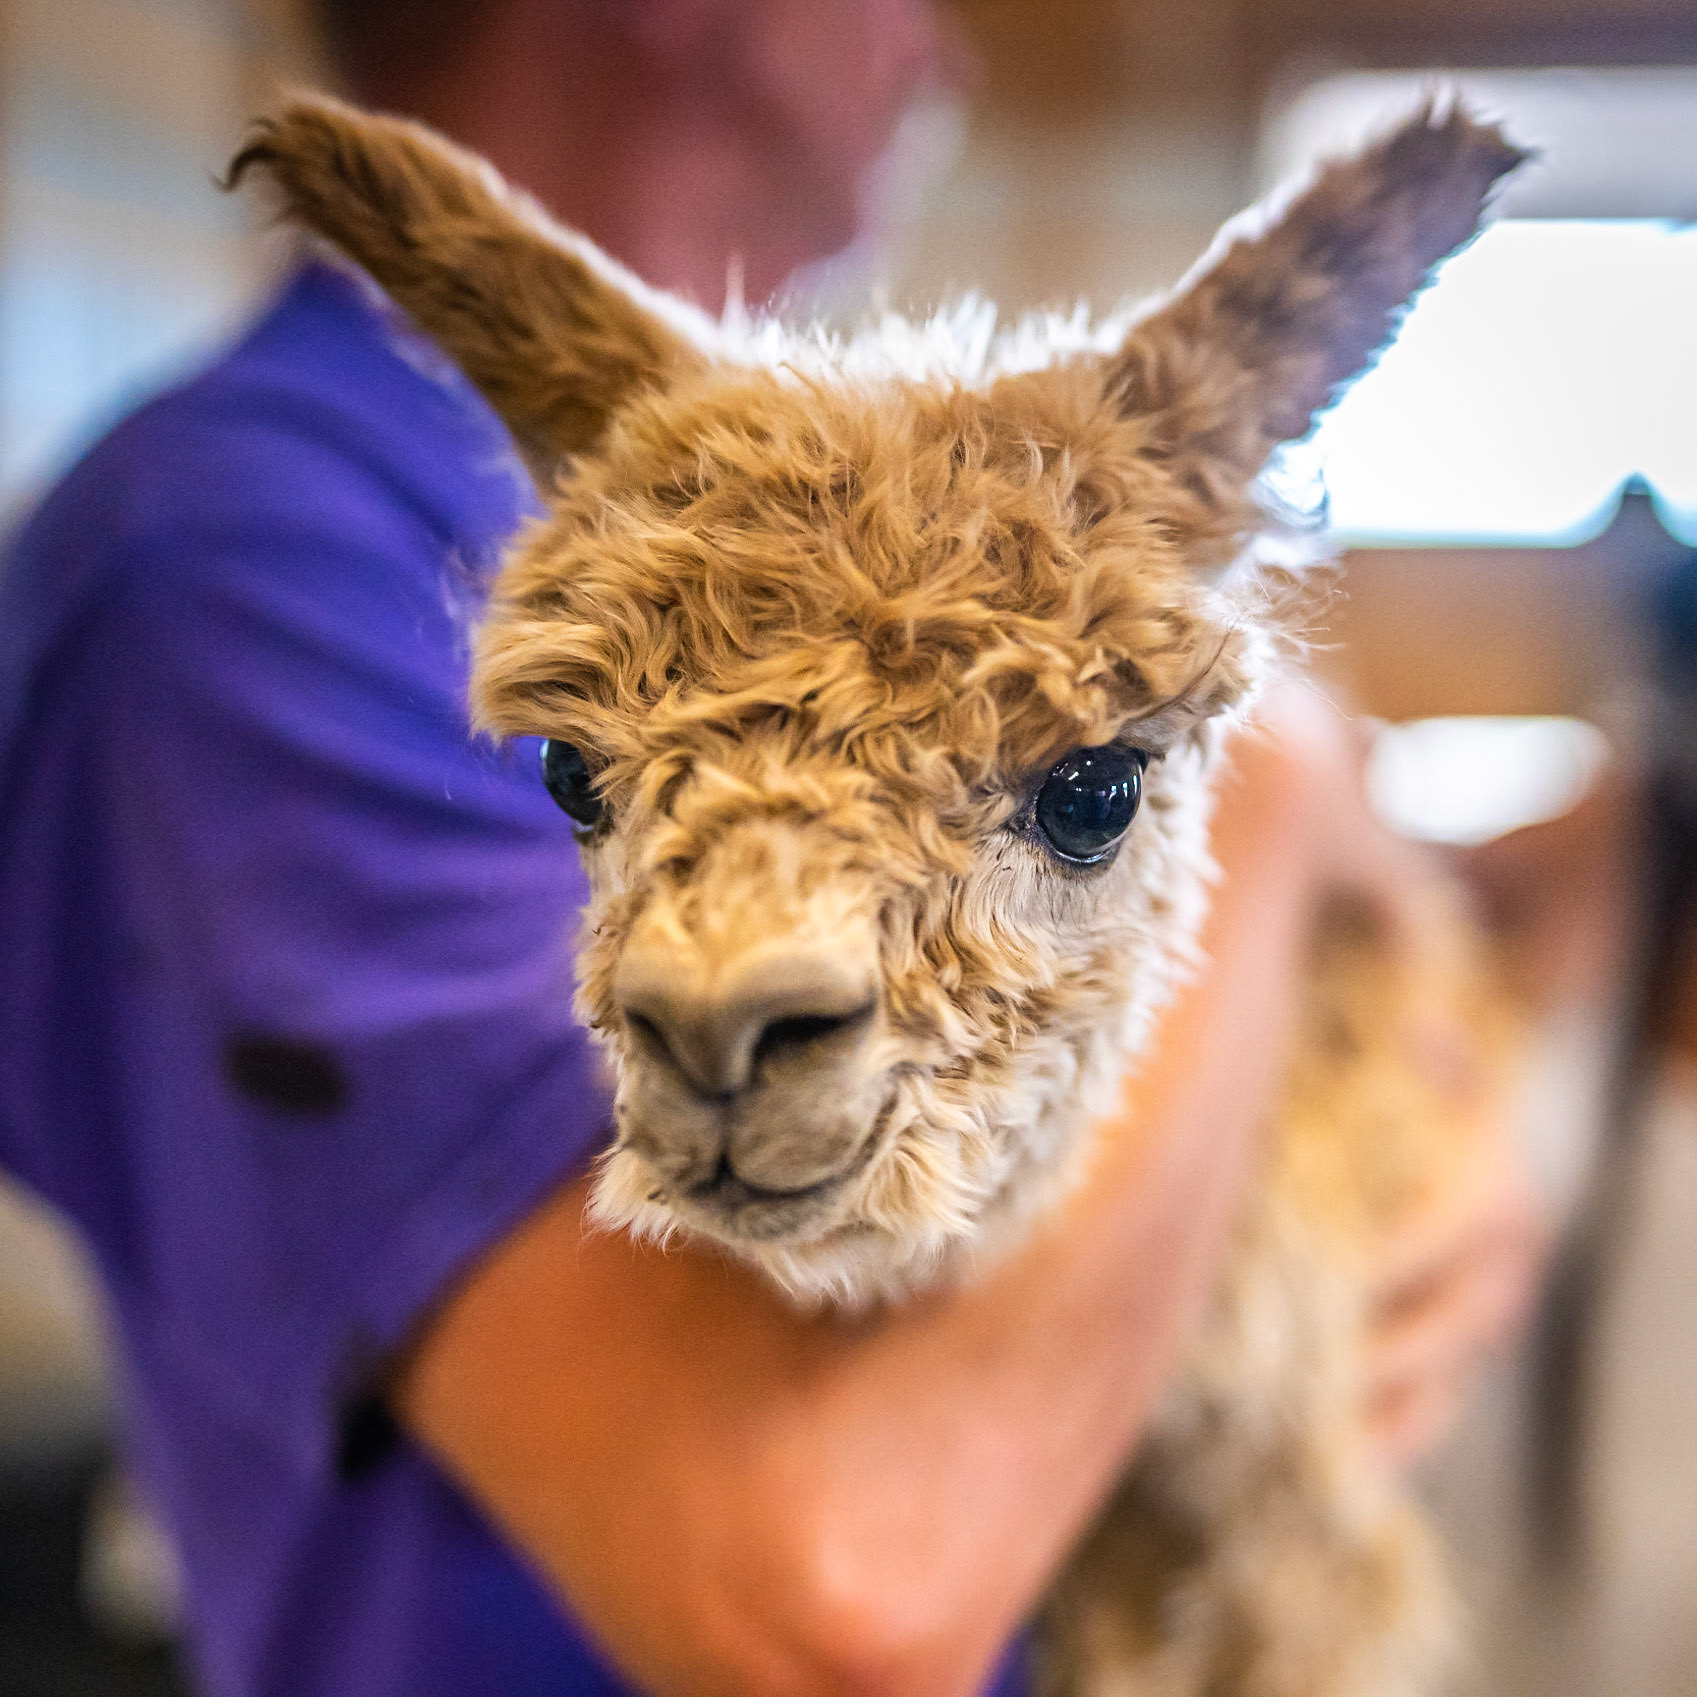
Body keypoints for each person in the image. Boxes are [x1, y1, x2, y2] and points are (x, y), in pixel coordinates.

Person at [0, 3, 1541, 1693]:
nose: (941, 49)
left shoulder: (846, 498)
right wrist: (1280, 788)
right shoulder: (238, 562)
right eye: (588, 786)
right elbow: (827, 1600)